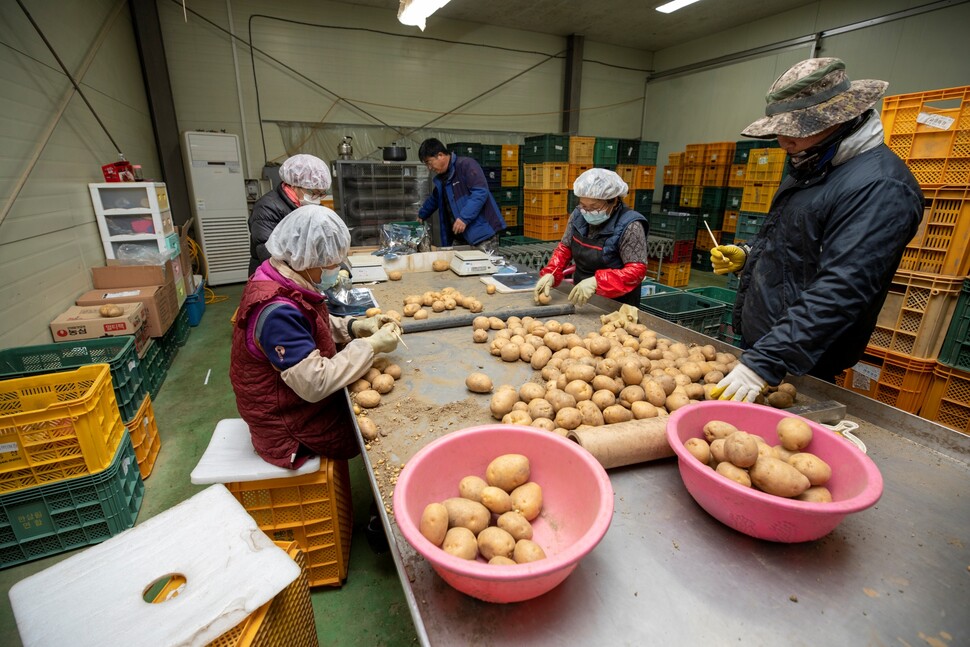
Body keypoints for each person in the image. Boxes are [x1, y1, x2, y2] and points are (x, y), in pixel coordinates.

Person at [709, 57, 923, 402]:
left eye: (796, 130)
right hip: (770, 343)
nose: (783, 142)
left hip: (802, 360)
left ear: (840, 120)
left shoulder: (880, 188)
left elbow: (844, 286)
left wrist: (767, 361)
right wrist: (751, 255)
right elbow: (799, 239)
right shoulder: (814, 163)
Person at [230, 205, 402, 468]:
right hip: (286, 424)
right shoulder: (277, 312)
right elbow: (314, 384)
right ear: (308, 260)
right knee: (380, 428)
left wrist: (354, 326)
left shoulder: (281, 273)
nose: (338, 267)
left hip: (290, 401)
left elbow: (308, 323)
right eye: (332, 262)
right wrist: (371, 345)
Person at [533, 168, 648, 308]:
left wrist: (598, 282)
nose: (588, 212)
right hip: (580, 298)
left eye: (594, 207)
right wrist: (551, 272)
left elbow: (636, 271)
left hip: (617, 304)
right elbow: (565, 248)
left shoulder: (631, 226)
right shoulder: (578, 215)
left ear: (614, 201)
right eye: (583, 205)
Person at [248, 154, 332, 275]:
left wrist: (340, 268)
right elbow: (269, 255)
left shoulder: (312, 206)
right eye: (313, 192)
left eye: (321, 194)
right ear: (293, 184)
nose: (317, 198)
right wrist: (305, 277)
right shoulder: (267, 208)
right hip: (273, 278)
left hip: (304, 274)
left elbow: (327, 244)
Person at [417, 138, 506, 253]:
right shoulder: (441, 178)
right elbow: (435, 198)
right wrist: (422, 214)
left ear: (440, 155)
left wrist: (464, 218)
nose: (429, 168)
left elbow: (480, 192)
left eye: (429, 162)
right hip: (459, 236)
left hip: (481, 235)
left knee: (486, 268)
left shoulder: (466, 165)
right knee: (458, 268)